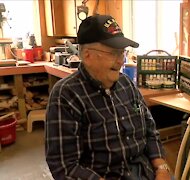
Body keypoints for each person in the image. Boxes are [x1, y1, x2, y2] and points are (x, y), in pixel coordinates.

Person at [45, 15, 172, 180]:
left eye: (122, 53)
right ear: (88, 55)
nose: (121, 61)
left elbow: (150, 131)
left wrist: (161, 168)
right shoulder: (66, 95)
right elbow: (64, 166)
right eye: (113, 53)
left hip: (146, 172)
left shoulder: (126, 84)